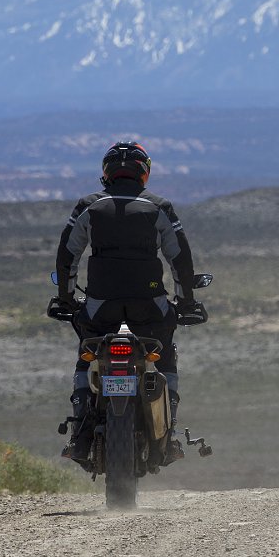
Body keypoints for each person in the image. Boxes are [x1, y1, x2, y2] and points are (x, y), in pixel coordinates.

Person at [49, 141, 206, 467]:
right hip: (149, 305)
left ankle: (80, 435)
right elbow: (180, 258)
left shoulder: (89, 206)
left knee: (85, 357)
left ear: (106, 172)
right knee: (165, 357)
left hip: (99, 305)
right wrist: (187, 299)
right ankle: (169, 432)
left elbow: (68, 255)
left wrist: (65, 297)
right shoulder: (159, 207)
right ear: (144, 172)